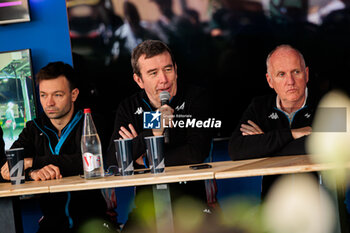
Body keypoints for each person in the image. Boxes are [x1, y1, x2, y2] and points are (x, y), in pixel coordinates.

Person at [106, 40, 213, 232]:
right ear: (139, 80)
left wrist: (144, 159)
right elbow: (114, 160)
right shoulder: (128, 108)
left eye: (168, 69)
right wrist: (154, 130)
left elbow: (196, 152)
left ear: (176, 70)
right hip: (147, 209)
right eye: (153, 73)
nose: (164, 79)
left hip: (191, 206)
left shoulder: (196, 98)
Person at [0, 62, 112, 233]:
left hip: (94, 222)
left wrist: (33, 162)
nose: (49, 103)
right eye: (43, 95)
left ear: (73, 94)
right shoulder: (33, 128)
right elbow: (8, 167)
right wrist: (32, 173)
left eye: (57, 95)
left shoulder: (91, 122)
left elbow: (88, 161)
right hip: (51, 224)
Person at [228, 44, 319, 198]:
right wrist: (292, 134)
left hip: (322, 207)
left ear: (307, 74)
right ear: (270, 81)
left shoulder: (329, 100)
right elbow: (236, 149)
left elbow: (329, 145)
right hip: (273, 207)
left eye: (296, 72)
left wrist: (265, 143)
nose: (290, 81)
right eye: (281, 74)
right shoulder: (259, 106)